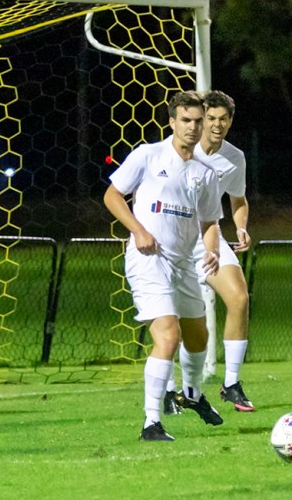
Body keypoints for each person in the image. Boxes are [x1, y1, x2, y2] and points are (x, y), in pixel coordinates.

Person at [103, 91, 224, 441]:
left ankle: (192, 395)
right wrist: (138, 230)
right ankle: (151, 422)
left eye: (198, 121)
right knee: (168, 336)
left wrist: (212, 250)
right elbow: (112, 195)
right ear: (172, 122)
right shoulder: (148, 155)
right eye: (186, 120)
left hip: (184, 263)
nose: (193, 127)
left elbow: (210, 222)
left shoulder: (205, 172)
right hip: (149, 261)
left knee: (198, 337)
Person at [163, 90, 255, 415]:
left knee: (239, 299)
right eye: (211, 118)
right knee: (170, 317)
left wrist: (241, 226)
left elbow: (238, 200)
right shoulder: (179, 149)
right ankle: (170, 390)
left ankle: (230, 383)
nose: (216, 125)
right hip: (174, 241)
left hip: (209, 240)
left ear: (230, 121)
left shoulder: (235, 157)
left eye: (222, 119)